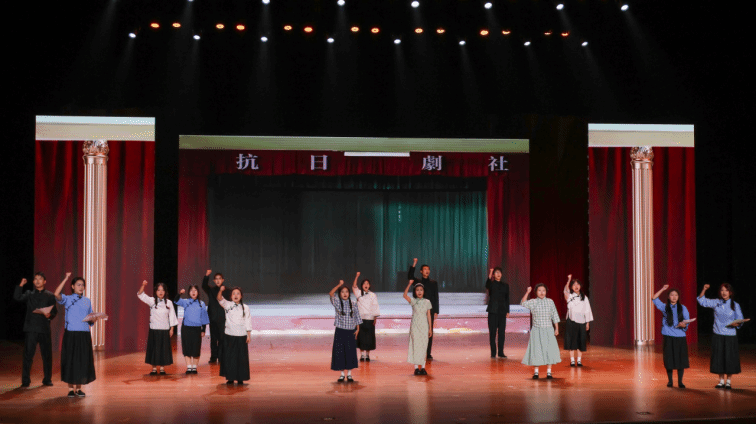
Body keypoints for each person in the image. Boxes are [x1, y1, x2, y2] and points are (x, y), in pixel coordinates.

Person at [698, 283, 749, 389]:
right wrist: (704, 289)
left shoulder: (735, 305)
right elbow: (701, 301)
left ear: (730, 292)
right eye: (722, 290)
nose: (724, 292)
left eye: (726, 290)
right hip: (718, 334)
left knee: (730, 358)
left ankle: (728, 381)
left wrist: (737, 324)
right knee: (719, 358)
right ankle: (721, 381)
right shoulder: (716, 302)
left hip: (730, 335)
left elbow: (740, 319)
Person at [13, 272, 59, 388]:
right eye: (36, 279)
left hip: (44, 328)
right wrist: (21, 285)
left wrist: (50, 315)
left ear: (45, 281)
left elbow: (54, 311)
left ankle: (47, 379)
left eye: (40, 279)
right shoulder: (29, 294)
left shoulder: (50, 295)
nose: (37, 281)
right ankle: (25, 381)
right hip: (31, 328)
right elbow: (17, 297)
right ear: (33, 282)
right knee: (28, 355)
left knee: (47, 355)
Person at [54, 276, 96, 397]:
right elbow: (56, 294)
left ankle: (78, 388)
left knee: (82, 361)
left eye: (82, 285)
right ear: (72, 286)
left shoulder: (87, 301)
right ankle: (70, 389)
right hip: (71, 333)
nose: (81, 287)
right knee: (71, 361)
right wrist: (65, 278)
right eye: (78, 284)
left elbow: (90, 318)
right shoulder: (67, 299)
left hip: (84, 334)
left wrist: (94, 319)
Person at [652, 285, 690, 388]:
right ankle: (670, 381)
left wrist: (684, 325)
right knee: (669, 359)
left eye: (676, 295)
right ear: (668, 297)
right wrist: (662, 289)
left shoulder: (683, 308)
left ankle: (680, 382)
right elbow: (654, 298)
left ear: (678, 297)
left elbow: (687, 321)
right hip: (668, 336)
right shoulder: (664, 307)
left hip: (680, 336)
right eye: (672, 295)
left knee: (680, 359)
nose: (674, 297)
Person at [521, 284, 561, 379]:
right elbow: (523, 303)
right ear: (536, 292)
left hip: (548, 329)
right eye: (539, 290)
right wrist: (527, 292)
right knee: (537, 350)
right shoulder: (533, 302)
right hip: (537, 330)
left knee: (549, 350)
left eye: (544, 290)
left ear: (546, 292)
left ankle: (549, 372)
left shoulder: (550, 302)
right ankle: (536, 372)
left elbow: (554, 315)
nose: (542, 292)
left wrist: (557, 328)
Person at [138, 280, 178, 375]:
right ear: (156, 291)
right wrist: (143, 285)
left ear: (165, 292)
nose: (161, 292)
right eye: (159, 290)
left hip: (165, 329)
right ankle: (154, 369)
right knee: (154, 349)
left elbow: (172, 316)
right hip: (154, 329)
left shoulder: (169, 302)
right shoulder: (151, 301)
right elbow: (140, 295)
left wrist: (172, 329)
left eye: (162, 290)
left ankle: (162, 368)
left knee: (163, 350)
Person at [217, 286, 253, 385]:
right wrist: (220, 290)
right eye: (234, 294)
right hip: (229, 335)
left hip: (241, 335)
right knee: (230, 358)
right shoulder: (228, 305)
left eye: (238, 293)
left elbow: (248, 321)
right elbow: (219, 298)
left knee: (241, 359)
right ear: (231, 296)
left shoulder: (245, 307)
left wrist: (248, 335)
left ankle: (240, 378)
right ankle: (230, 378)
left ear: (241, 296)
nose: (236, 295)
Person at [329, 280, 361, 382]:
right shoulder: (337, 302)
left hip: (351, 332)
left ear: (349, 293)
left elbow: (357, 317)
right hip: (340, 331)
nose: (345, 294)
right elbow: (331, 294)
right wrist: (339, 285)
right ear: (339, 294)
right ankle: (342, 374)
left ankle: (350, 374)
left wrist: (358, 329)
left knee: (350, 353)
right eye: (342, 292)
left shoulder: (353, 303)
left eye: (346, 292)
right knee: (340, 353)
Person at [174, 285, 211, 374]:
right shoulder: (185, 302)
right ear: (189, 292)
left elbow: (204, 317)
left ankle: (194, 367)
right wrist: (180, 293)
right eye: (191, 290)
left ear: (198, 292)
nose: (193, 292)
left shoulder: (201, 303)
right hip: (186, 328)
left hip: (197, 329)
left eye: (195, 290)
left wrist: (203, 330)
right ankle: (189, 367)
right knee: (187, 348)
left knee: (196, 348)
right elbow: (175, 300)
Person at [408, 258, 439, 360]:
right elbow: (410, 276)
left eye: (428, 269)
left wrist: (436, 311)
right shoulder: (418, 282)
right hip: (419, 310)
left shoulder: (433, 283)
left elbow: (436, 297)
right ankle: (419, 351)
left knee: (429, 331)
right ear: (421, 271)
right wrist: (414, 264)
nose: (427, 271)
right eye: (425, 269)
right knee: (419, 331)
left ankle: (428, 353)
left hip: (429, 310)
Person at [563, 275, 593, 366]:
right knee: (572, 341)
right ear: (571, 287)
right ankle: (572, 360)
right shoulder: (570, 296)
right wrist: (569, 280)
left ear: (580, 286)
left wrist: (587, 322)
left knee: (581, 341)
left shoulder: (584, 297)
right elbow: (565, 290)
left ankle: (579, 360)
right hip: (572, 321)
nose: (576, 286)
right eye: (574, 285)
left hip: (582, 321)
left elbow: (587, 310)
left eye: (578, 284)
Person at [202, 270, 231, 364]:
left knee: (222, 338)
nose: (218, 280)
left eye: (220, 279)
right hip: (213, 318)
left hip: (223, 318)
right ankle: (213, 357)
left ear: (223, 280)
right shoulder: (211, 290)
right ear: (214, 281)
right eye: (216, 279)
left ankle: (222, 356)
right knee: (213, 339)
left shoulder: (227, 291)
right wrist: (206, 276)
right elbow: (204, 286)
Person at [404, 280, 432, 376]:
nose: (419, 292)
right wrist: (409, 284)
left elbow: (428, 316)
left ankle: (423, 367)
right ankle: (416, 368)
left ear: (424, 291)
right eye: (417, 290)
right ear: (415, 292)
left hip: (424, 326)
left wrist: (430, 328)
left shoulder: (427, 302)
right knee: (415, 346)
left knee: (424, 347)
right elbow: (404, 295)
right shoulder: (413, 301)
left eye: (421, 290)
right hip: (415, 326)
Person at [352, 271, 380, 362]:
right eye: (364, 283)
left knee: (369, 338)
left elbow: (375, 306)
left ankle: (367, 355)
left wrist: (375, 318)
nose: (366, 285)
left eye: (367, 283)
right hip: (360, 319)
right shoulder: (358, 293)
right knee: (361, 337)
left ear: (369, 285)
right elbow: (354, 286)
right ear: (362, 285)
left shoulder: (373, 295)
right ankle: (362, 355)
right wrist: (357, 276)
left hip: (370, 319)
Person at [485, 267, 510, 358]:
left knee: (501, 333)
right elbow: (487, 285)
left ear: (501, 274)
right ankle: (493, 353)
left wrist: (507, 311)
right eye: (496, 273)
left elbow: (507, 299)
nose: (498, 274)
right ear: (494, 275)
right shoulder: (491, 284)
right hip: (492, 312)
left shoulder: (505, 285)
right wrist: (490, 272)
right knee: (492, 333)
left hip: (502, 312)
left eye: (499, 272)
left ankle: (500, 352)